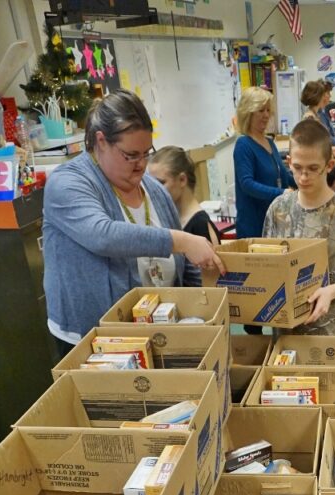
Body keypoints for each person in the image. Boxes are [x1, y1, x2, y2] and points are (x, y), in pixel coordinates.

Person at [42, 90, 223, 357]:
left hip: (160, 332)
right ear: (101, 142)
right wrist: (181, 241)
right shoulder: (68, 183)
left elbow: (186, 268)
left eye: (146, 153)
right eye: (131, 155)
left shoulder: (154, 190)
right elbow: (102, 235)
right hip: (92, 341)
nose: (141, 165)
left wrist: (199, 312)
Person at [263, 118, 335, 334]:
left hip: (334, 335)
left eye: (313, 169)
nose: (303, 177)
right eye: (297, 168)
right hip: (287, 336)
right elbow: (267, 266)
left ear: (329, 165)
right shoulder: (278, 210)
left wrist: (330, 292)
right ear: (289, 161)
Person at [233, 86, 295, 240]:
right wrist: (282, 193)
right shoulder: (243, 145)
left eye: (268, 110)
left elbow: (283, 176)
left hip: (274, 221)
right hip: (254, 226)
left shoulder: (269, 142)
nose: (266, 115)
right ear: (248, 112)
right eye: (261, 111)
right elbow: (247, 184)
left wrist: (305, 180)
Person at [148, 146, 220, 246]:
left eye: (160, 183)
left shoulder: (200, 226)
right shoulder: (173, 218)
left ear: (182, 180)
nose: (153, 190)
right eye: (151, 184)